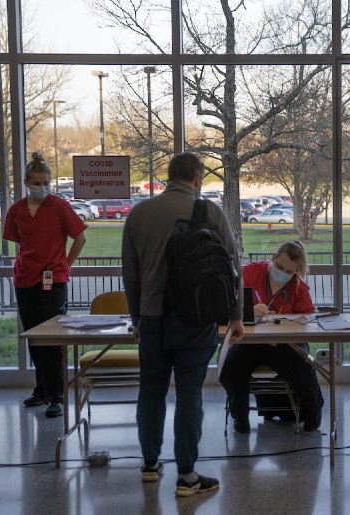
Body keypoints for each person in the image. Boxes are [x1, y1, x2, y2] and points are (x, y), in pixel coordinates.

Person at [122, 152, 244, 497]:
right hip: (195, 318)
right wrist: (235, 316)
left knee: (151, 390)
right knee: (190, 392)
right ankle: (187, 476)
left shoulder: (139, 213)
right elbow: (232, 268)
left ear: (167, 177)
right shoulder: (210, 212)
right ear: (196, 179)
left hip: (151, 318)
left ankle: (149, 464)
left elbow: (130, 275)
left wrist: (136, 319)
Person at [3, 152, 87, 418]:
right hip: (25, 279)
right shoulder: (16, 210)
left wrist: (64, 263)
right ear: (27, 182)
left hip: (53, 280)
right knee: (33, 336)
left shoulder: (59, 207)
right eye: (36, 182)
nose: (41, 187)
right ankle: (42, 389)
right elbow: (18, 241)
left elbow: (80, 238)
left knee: (52, 338)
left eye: (45, 181)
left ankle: (57, 394)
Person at [220, 241, 324, 433]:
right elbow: (228, 304)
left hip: (283, 345)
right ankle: (240, 417)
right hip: (249, 342)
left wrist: (286, 334)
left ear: (297, 272)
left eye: (289, 271)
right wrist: (248, 310)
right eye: (279, 266)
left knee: (302, 366)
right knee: (230, 366)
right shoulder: (251, 272)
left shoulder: (298, 288)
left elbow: (308, 320)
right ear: (273, 258)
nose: (283, 272)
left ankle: (313, 412)